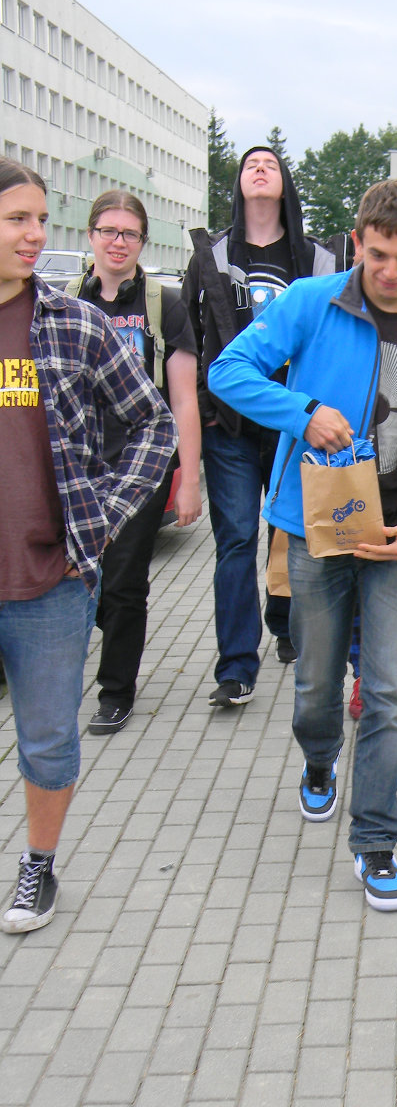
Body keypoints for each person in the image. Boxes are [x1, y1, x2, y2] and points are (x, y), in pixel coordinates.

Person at [209, 179, 397, 912]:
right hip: (318, 530)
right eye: (377, 254)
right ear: (357, 241)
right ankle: (319, 761)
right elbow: (227, 371)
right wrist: (302, 412)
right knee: (317, 684)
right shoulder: (310, 301)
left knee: (387, 696)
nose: (389, 271)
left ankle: (376, 841)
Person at [0, 158, 175, 933]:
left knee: (46, 740)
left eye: (41, 220)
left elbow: (154, 423)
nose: (37, 235)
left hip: (50, 579)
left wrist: (104, 516)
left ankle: (38, 866)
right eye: (19, 219)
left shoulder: (74, 323)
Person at [180, 146, 335, 708]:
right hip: (231, 427)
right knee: (237, 541)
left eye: (270, 162)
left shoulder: (317, 258)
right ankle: (237, 667)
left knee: (297, 535)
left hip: (297, 423)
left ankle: (291, 627)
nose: (260, 168)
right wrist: (206, 408)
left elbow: (333, 333)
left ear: (285, 182)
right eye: (250, 163)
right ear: (238, 185)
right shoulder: (213, 255)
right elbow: (193, 337)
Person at [65, 192, 201, 735]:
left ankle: (115, 691)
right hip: (76, 465)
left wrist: (189, 480)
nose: (118, 242)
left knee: (124, 581)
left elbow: (184, 398)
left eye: (130, 233)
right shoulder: (64, 300)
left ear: (143, 241)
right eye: (109, 231)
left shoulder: (163, 305)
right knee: (80, 578)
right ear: (91, 235)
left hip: (141, 465)